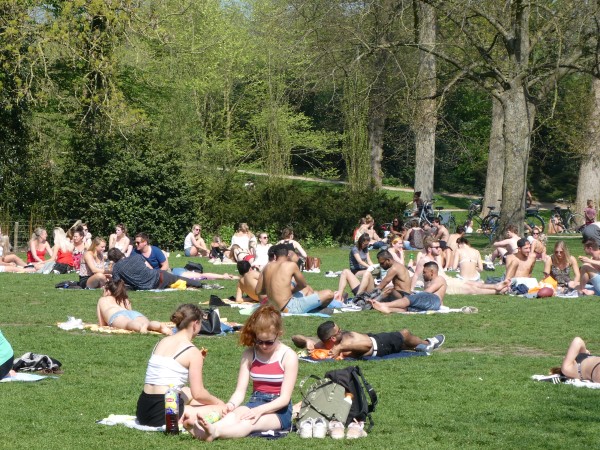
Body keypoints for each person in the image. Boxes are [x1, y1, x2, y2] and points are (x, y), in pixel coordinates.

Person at [184, 305, 298, 441]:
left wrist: (259, 411)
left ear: (279, 333)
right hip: (255, 401)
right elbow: (240, 391)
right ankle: (204, 430)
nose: (263, 346)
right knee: (233, 415)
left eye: (269, 342)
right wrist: (230, 405)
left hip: (279, 410)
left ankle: (214, 432)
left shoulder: (289, 356)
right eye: (259, 341)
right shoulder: (250, 354)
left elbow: (284, 399)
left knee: (249, 423)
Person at [136, 304, 224, 426]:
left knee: (186, 390)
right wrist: (219, 403)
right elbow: (198, 393)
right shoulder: (192, 352)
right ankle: (204, 410)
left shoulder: (162, 341)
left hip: (143, 409)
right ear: (195, 324)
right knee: (222, 410)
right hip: (165, 414)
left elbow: (168, 374)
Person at [291, 321, 445, 358]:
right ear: (332, 337)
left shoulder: (325, 344)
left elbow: (294, 337)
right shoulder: (344, 343)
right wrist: (341, 348)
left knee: (404, 344)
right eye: (339, 331)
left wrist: (306, 342)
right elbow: (367, 345)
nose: (342, 330)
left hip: (375, 340)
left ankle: (421, 347)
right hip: (378, 344)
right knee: (404, 334)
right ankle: (429, 343)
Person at [256, 244, 334, 313]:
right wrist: (291, 291)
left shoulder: (267, 267)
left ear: (275, 256)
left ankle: (314, 307)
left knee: (309, 293)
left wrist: (274, 291)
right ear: (287, 255)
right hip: (289, 307)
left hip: (273, 307)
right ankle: (318, 309)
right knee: (329, 294)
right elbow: (303, 285)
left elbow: (258, 290)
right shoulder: (291, 265)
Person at [108, 248, 205, 290]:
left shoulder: (117, 268)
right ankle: (200, 284)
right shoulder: (136, 257)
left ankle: (198, 284)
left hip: (148, 286)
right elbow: (150, 268)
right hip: (158, 277)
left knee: (175, 281)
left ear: (113, 260)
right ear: (121, 253)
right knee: (178, 278)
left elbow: (116, 283)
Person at [97, 280, 172, 334]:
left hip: (117, 316)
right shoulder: (124, 299)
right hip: (134, 314)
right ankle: (160, 326)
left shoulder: (103, 299)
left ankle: (140, 327)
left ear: (108, 291)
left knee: (128, 324)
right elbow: (130, 313)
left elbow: (101, 323)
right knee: (148, 324)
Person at [370, 261, 446, 313]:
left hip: (433, 300)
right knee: (408, 308)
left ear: (432, 272)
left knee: (408, 299)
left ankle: (384, 305)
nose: (423, 274)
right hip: (431, 303)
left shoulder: (439, 279)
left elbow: (427, 292)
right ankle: (389, 309)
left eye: (425, 272)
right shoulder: (430, 281)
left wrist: (415, 294)